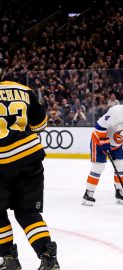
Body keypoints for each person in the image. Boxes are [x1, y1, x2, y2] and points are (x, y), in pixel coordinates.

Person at [0, 58, 60, 269]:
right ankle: (48, 257)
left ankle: (8, 259)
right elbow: (41, 124)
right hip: (29, 157)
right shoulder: (22, 89)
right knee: (27, 212)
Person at [82, 92, 123, 206]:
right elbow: (99, 126)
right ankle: (88, 194)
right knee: (98, 167)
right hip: (99, 141)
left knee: (121, 165)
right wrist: (104, 142)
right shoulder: (116, 111)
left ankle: (120, 192)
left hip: (116, 144)